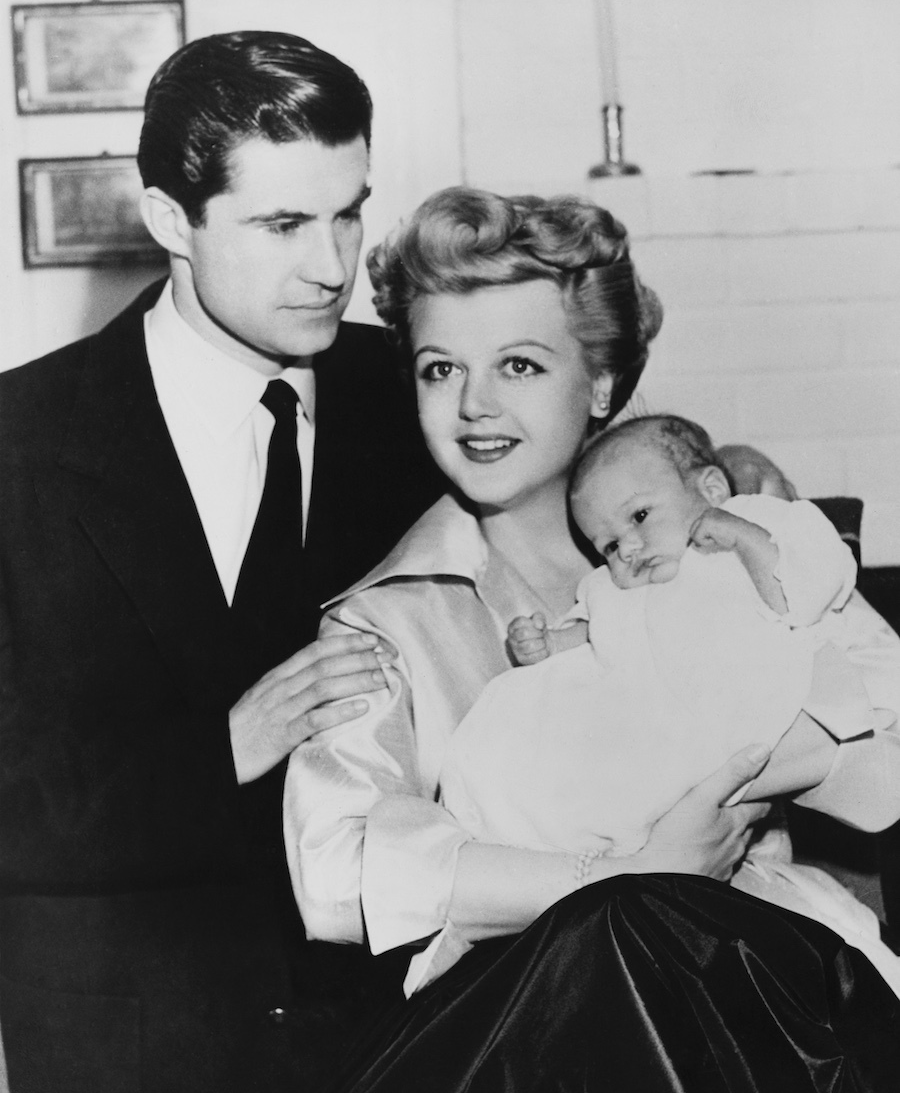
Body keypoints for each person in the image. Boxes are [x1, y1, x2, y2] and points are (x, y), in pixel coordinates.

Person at [284, 186, 900, 1091]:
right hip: (528, 1029)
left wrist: (743, 770)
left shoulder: (705, 537)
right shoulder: (385, 617)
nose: (475, 407)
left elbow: (885, 719)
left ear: (602, 380)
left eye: (521, 366)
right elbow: (335, 872)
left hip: (757, 989)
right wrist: (618, 873)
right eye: (439, 369)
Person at [0, 32, 442, 1093]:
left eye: (349, 211)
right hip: (134, 1048)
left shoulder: (422, 391)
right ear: (170, 222)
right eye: (284, 223)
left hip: (405, 1039)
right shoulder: (22, 443)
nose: (335, 265)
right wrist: (227, 746)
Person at [439, 412, 900, 992]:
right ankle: (557, 841)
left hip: (743, 705)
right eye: (607, 544)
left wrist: (747, 540)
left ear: (710, 490)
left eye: (638, 517)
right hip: (655, 727)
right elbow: (591, 632)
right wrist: (544, 644)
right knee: (545, 726)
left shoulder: (754, 528)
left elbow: (803, 595)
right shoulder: (615, 588)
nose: (627, 548)